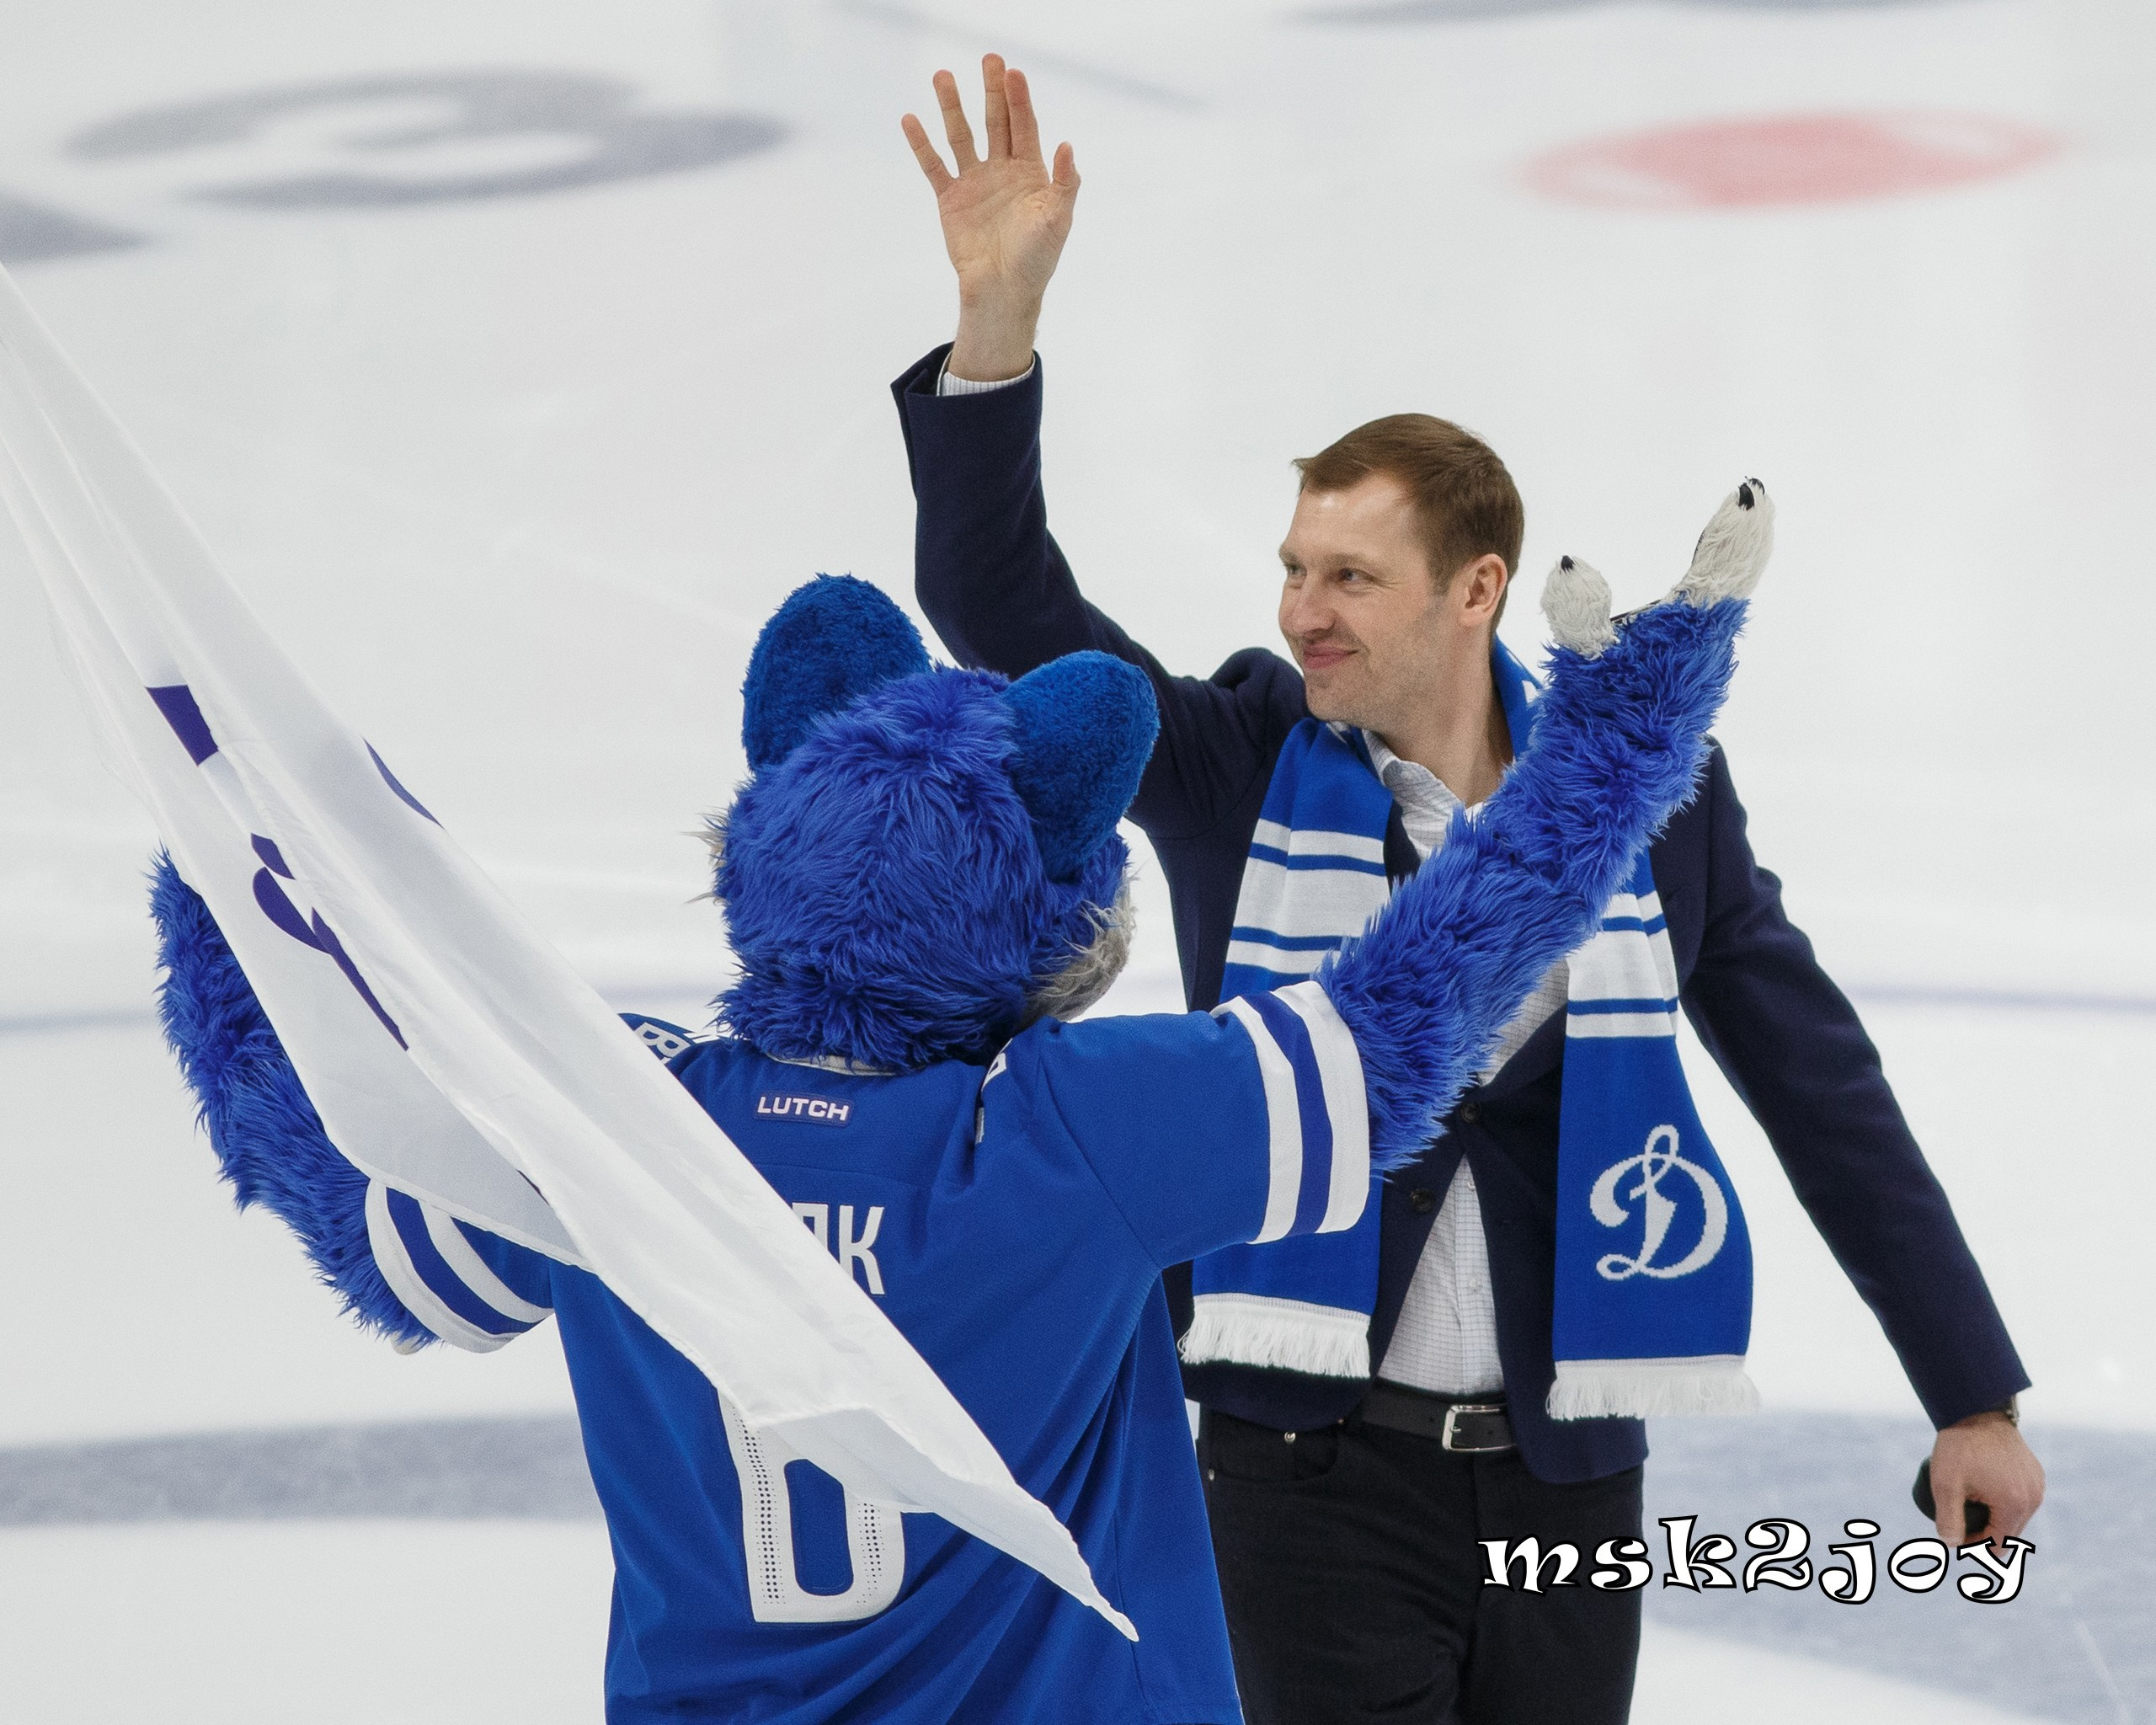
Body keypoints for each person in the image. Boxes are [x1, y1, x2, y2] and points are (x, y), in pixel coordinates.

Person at [895, 56, 2045, 1725]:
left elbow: (1816, 1084)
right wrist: (994, 327)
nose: (1303, 611)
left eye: (1348, 577)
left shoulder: (1646, 796)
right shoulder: (1234, 762)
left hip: (1566, 1487)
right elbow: (1000, 601)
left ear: (1475, 589)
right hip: (1301, 1482)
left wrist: (1966, 1390)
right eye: (1292, 569)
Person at [149, 563, 1749, 1723]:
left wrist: (226, 878)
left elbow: (349, 1195)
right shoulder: (1069, 1135)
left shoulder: (615, 1119)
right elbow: (1428, 994)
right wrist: (1611, 749)